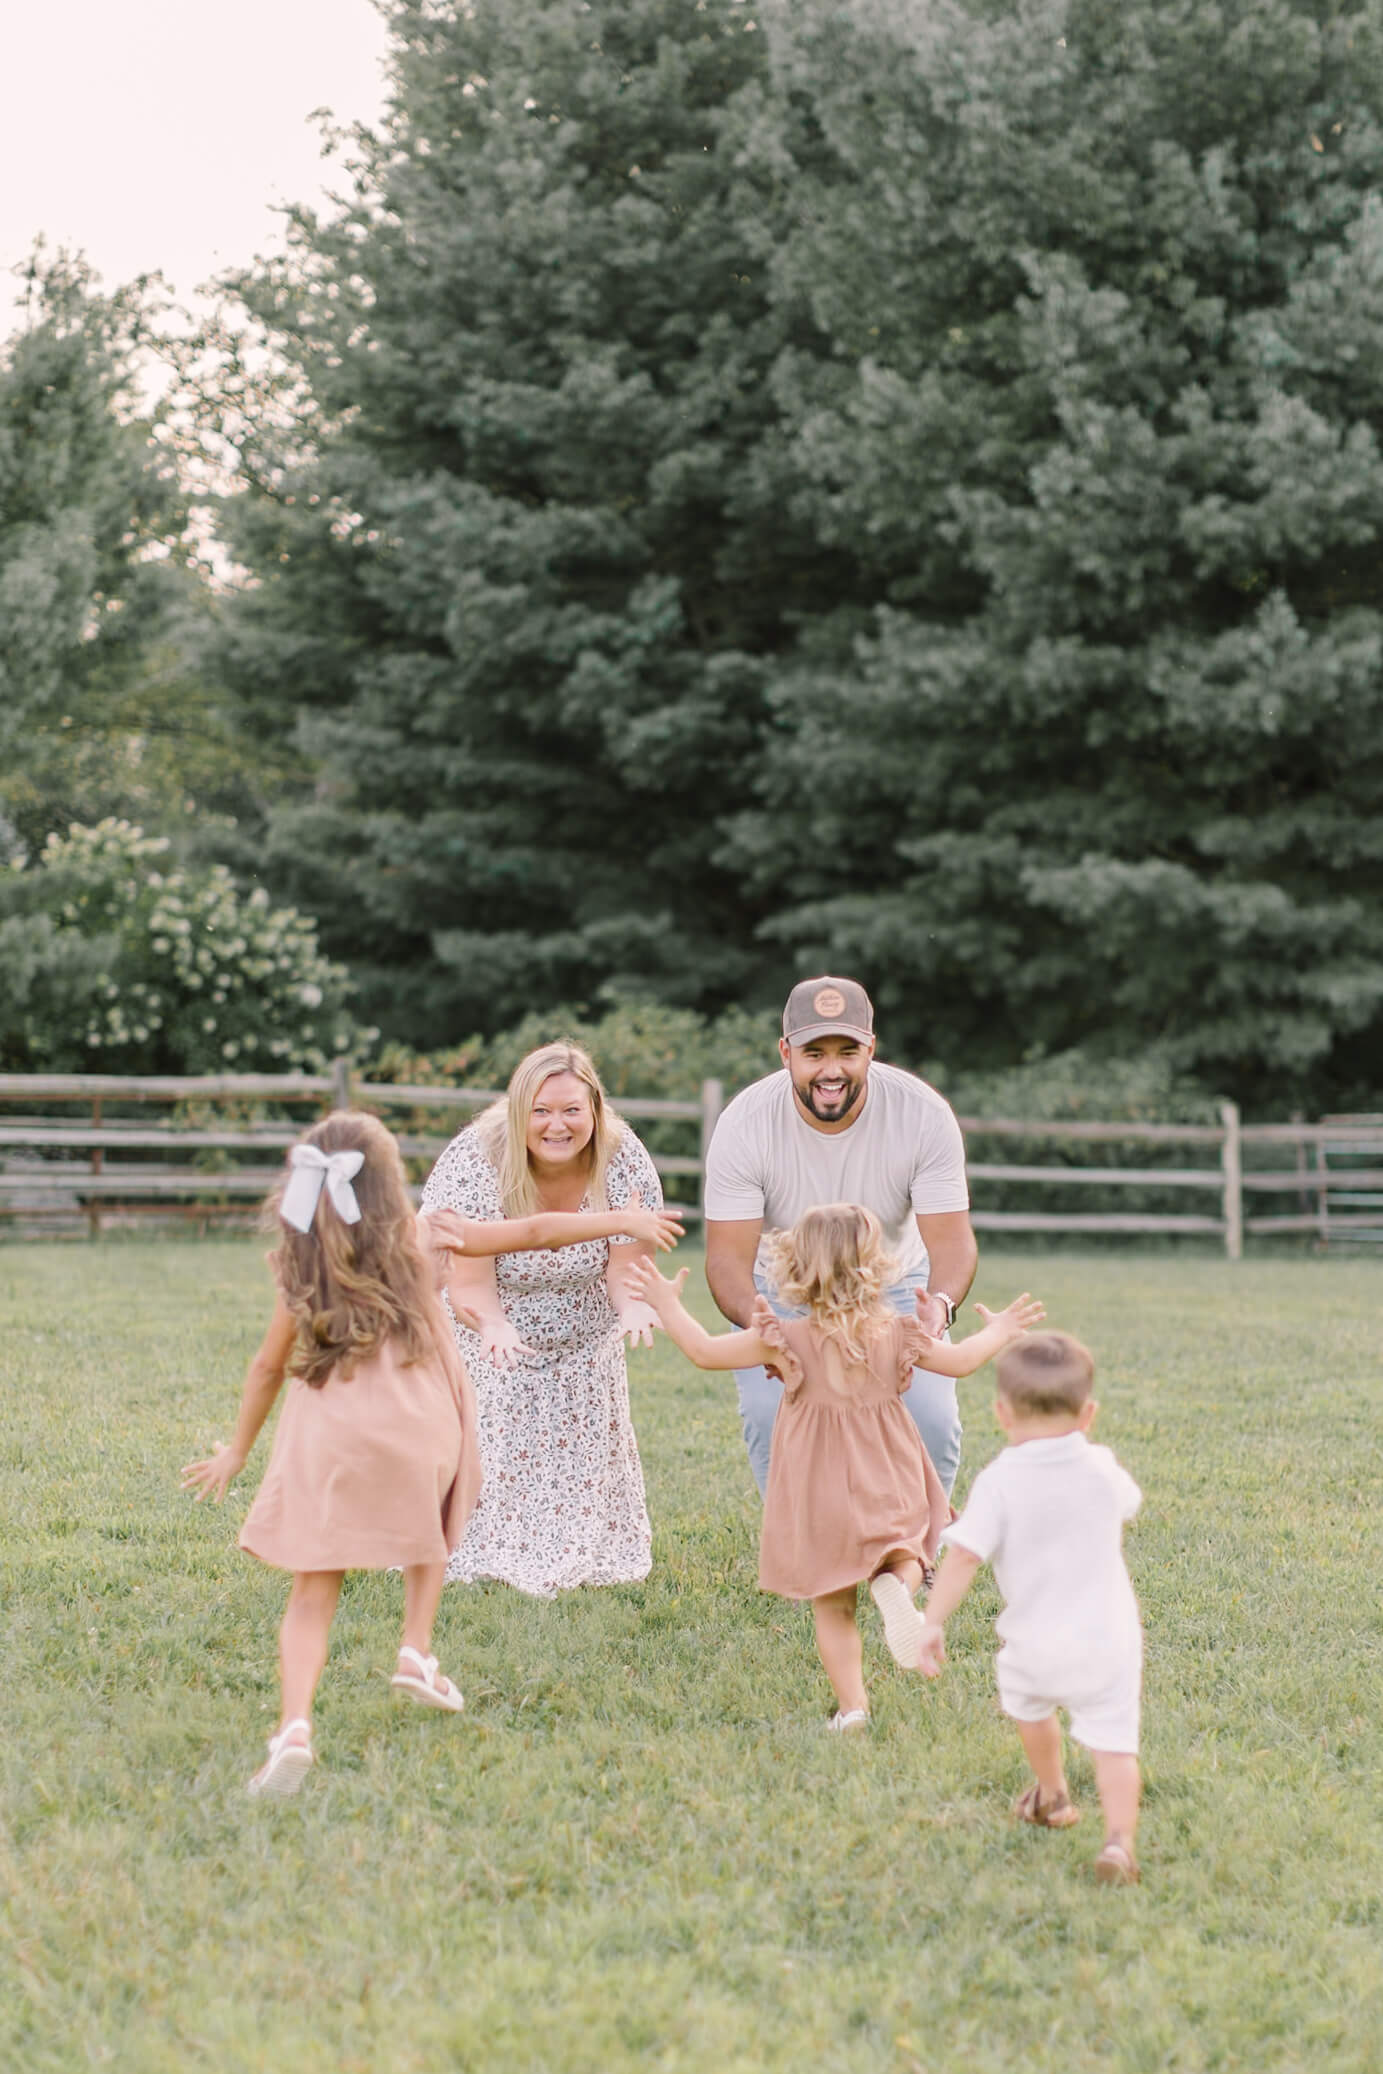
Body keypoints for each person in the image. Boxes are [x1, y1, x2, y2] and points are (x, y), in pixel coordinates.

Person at [181, 1111, 677, 1797]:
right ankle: (415, 1647)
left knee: (313, 1589)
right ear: (390, 1184)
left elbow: (268, 1367)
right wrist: (620, 1222)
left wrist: (237, 1450)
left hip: (328, 1430)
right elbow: (533, 1232)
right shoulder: (431, 1233)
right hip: (422, 1421)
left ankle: (293, 1726)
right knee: (435, 1523)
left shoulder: (300, 1266)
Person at [628, 1204, 1043, 1730]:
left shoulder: (784, 1337)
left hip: (816, 1484)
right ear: (877, 1266)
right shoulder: (896, 1331)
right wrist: (1002, 1329)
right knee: (910, 1549)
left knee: (832, 1603)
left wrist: (666, 1303)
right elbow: (961, 1362)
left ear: (797, 1270)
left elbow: (705, 1351)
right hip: (887, 1471)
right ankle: (901, 1588)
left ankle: (853, 1710)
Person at [703, 975, 977, 1498]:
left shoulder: (922, 1114)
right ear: (786, 1053)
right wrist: (762, 1327)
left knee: (932, 1418)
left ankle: (920, 1550)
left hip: (893, 1281)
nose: (832, 1070)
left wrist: (938, 1308)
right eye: (814, 1052)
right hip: (782, 1289)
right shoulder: (744, 1123)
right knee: (772, 1414)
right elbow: (726, 1262)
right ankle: (801, 1558)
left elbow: (953, 1243)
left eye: (848, 1051)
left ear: (871, 1049)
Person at [420, 1042, 668, 1598]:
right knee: (497, 1432)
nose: (557, 1125)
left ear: (595, 1110)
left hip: (585, 1338)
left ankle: (587, 1540)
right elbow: (468, 1282)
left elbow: (627, 1263)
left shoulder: (623, 1158)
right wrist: (493, 1327)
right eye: (541, 1110)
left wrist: (633, 1307)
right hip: (488, 1327)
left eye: (571, 1110)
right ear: (518, 1112)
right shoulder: (477, 1162)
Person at [917, 1330, 1144, 1885]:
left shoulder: (999, 1480)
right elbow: (1128, 1503)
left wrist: (932, 1621)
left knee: (1031, 1709)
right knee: (1115, 1746)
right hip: (1108, 1640)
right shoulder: (1100, 1468)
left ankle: (1054, 1794)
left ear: (1001, 1412)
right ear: (1088, 1413)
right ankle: (1118, 1842)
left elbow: (965, 1556)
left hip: (1034, 1642)